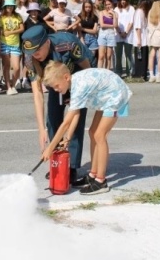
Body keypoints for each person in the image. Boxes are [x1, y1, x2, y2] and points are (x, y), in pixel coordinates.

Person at [40, 62, 132, 195]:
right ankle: (92, 175)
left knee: (100, 135)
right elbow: (75, 114)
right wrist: (68, 138)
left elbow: (66, 122)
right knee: (92, 132)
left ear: (66, 77)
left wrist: (50, 148)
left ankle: (101, 181)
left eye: (56, 86)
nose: (55, 90)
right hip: (105, 95)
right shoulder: (74, 85)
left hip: (115, 95)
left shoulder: (79, 86)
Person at [22, 24, 91, 186]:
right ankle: (57, 161)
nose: (35, 55)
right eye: (31, 52)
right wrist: (41, 130)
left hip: (78, 77)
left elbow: (87, 69)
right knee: (52, 119)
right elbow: (38, 94)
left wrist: (78, 93)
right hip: (56, 81)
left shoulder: (67, 44)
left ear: (46, 43)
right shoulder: (30, 58)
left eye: (37, 51)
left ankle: (72, 166)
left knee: (75, 121)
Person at [0, 0, 24, 95]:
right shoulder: (1, 17)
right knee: (6, 66)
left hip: (15, 44)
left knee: (17, 67)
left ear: (14, 7)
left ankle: (13, 85)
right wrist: (4, 33)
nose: (9, 7)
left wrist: (11, 32)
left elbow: (22, 28)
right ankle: (8, 86)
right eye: (8, 6)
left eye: (11, 6)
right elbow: (0, 30)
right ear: (5, 7)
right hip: (4, 43)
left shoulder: (18, 16)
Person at [114, 0, 136, 78]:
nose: (123, 2)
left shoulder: (131, 9)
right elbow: (115, 22)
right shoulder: (116, 9)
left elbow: (132, 21)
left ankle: (129, 71)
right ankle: (118, 71)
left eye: (124, 0)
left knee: (128, 54)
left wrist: (126, 32)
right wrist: (120, 32)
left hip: (128, 34)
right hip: (118, 34)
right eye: (121, 0)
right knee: (118, 54)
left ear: (127, 0)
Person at [96, 0, 118, 71]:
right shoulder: (101, 12)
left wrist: (114, 15)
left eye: (109, 4)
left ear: (112, 4)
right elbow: (102, 25)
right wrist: (112, 26)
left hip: (111, 34)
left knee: (109, 56)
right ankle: (99, 71)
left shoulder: (115, 13)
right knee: (101, 56)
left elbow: (116, 25)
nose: (107, 6)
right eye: (106, 4)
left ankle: (107, 71)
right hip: (102, 34)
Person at [78, 0, 99, 67]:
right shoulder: (80, 16)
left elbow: (94, 31)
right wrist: (82, 41)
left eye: (89, 7)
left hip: (93, 39)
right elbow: (79, 30)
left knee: (92, 58)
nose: (88, 9)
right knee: (84, 58)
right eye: (86, 7)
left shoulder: (94, 17)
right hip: (83, 38)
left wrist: (83, 29)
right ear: (83, 7)